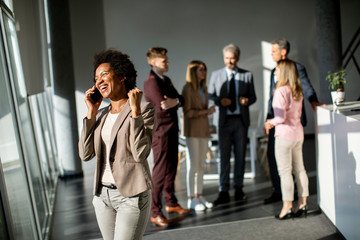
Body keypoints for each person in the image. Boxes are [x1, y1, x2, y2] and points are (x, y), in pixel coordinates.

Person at [78, 49, 155, 239]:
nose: (99, 81)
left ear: (121, 76)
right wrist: (91, 114)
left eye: (104, 74)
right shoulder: (101, 115)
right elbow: (85, 154)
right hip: (102, 196)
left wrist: (135, 111)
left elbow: (140, 153)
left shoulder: (144, 109)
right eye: (96, 78)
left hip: (131, 195)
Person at [264, 38, 324, 204]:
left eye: (274, 51)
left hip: (289, 123)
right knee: (273, 158)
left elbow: (306, 87)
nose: (271, 54)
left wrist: (314, 102)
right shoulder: (273, 71)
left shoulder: (297, 68)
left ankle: (290, 199)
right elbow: (271, 98)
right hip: (275, 120)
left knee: (292, 165)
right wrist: (269, 119)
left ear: (283, 52)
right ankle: (280, 191)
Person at [143, 47, 190, 227]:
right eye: (164, 61)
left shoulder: (166, 79)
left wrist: (175, 102)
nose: (168, 63)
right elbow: (163, 105)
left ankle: (171, 203)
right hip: (161, 131)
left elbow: (180, 99)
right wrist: (173, 102)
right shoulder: (151, 82)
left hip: (172, 129)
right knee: (160, 171)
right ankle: (155, 212)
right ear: (154, 62)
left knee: (172, 167)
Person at [208, 44, 257, 205]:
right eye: (226, 58)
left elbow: (253, 97)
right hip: (223, 121)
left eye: (232, 58)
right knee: (224, 156)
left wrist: (247, 101)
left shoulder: (247, 75)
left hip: (240, 120)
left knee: (241, 155)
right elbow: (211, 95)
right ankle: (223, 190)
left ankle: (239, 188)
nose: (229, 61)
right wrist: (219, 101)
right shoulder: (216, 75)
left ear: (238, 58)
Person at [265, 59, 309, 219]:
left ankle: (287, 207)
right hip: (298, 135)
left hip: (284, 136)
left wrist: (270, 122)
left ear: (283, 72)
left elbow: (280, 117)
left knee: (285, 173)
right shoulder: (297, 90)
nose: (275, 72)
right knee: (300, 170)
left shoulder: (280, 91)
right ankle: (303, 204)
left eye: (277, 70)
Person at [181, 60, 215, 211]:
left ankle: (199, 195)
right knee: (193, 166)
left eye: (205, 69)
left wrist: (207, 112)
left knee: (201, 165)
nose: (204, 72)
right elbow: (187, 112)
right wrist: (205, 112)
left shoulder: (204, 88)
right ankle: (191, 198)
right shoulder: (187, 89)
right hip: (193, 131)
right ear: (193, 72)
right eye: (201, 70)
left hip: (203, 130)